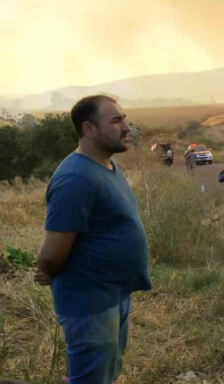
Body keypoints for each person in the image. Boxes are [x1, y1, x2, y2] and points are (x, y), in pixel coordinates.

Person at [34, 95, 152, 383]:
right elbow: (51, 254)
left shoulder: (107, 166)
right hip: (90, 304)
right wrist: (46, 270)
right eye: (116, 121)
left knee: (104, 375)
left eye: (125, 118)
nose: (126, 127)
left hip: (112, 296)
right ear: (89, 129)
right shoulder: (75, 178)